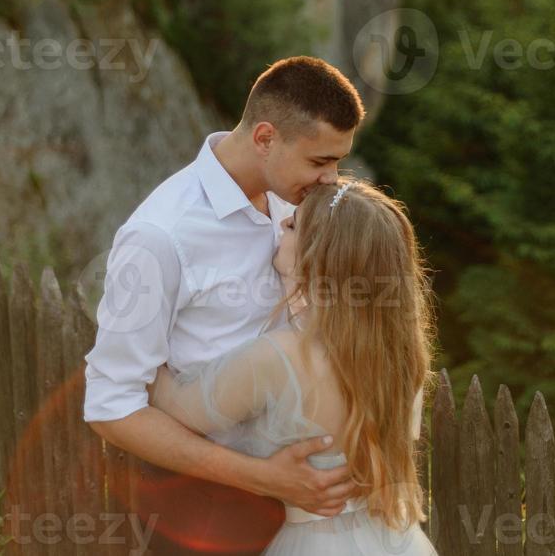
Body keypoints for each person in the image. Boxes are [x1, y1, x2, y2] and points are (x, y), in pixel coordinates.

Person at [84, 56, 367, 555]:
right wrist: (262, 478)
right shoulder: (159, 237)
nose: (330, 180)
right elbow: (112, 407)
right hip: (204, 512)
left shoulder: (293, 203)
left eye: (337, 162)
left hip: (304, 511)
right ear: (264, 138)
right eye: (319, 161)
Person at [148, 178, 439, 556]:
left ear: (316, 257)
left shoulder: (279, 356)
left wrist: (146, 339)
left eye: (294, 224)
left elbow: (178, 406)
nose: (281, 225)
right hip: (396, 540)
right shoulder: (402, 358)